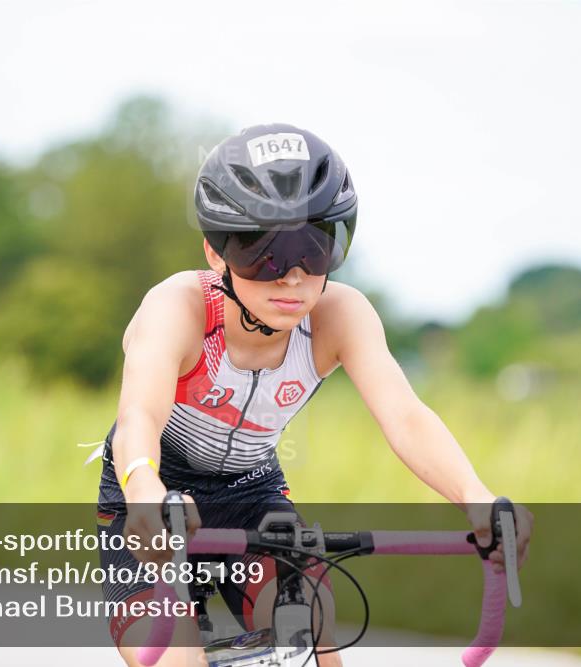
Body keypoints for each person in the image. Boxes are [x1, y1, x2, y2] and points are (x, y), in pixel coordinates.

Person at [88, 123, 534, 666]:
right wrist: (143, 490)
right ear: (215, 251)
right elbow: (139, 413)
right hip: (154, 496)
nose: (292, 279)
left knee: (312, 629)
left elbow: (406, 417)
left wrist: (477, 498)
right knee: (173, 659)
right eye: (262, 254)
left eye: (315, 250)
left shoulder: (339, 316)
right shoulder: (178, 307)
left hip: (252, 496)